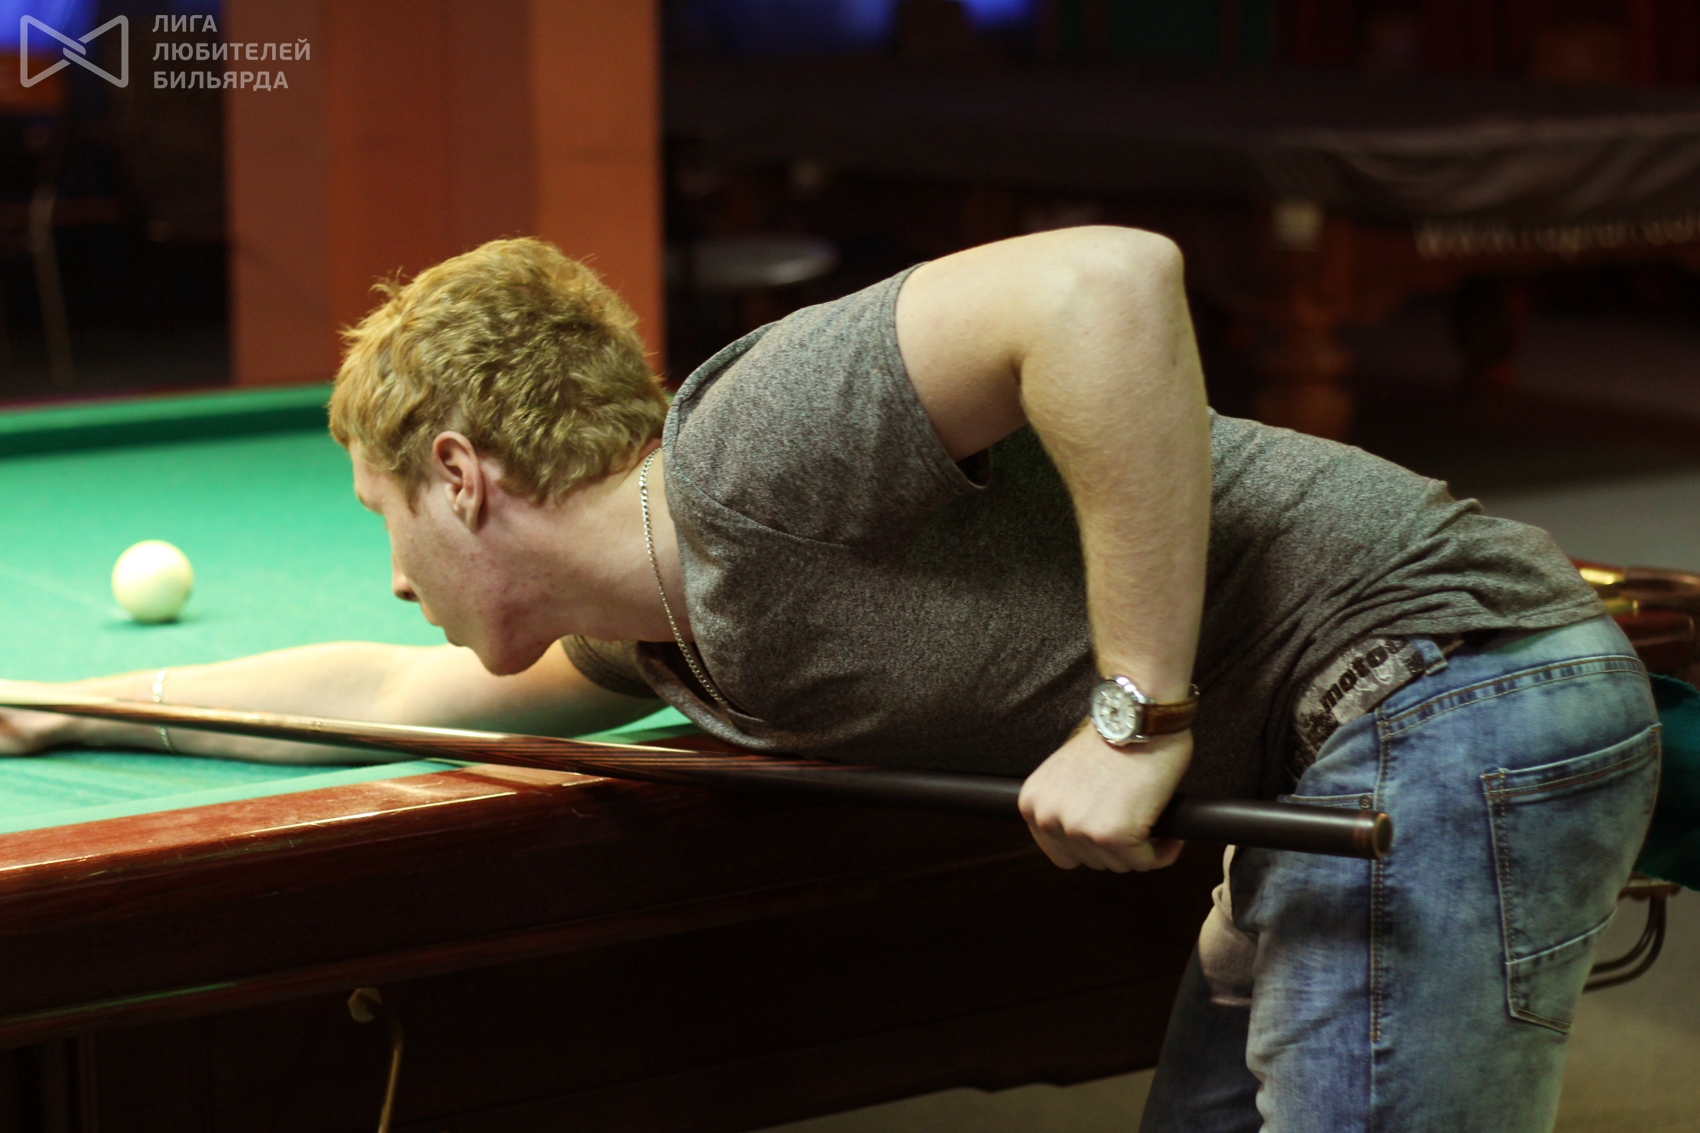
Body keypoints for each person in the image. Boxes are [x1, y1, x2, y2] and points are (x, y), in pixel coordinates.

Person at [0, 231, 1659, 1131]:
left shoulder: (747, 450)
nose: (390, 573)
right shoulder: (660, 634)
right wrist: (67, 703)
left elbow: (1107, 284)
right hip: (1347, 752)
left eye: (386, 520)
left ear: (459, 473)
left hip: (1450, 682)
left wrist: (1136, 710)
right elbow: (377, 686)